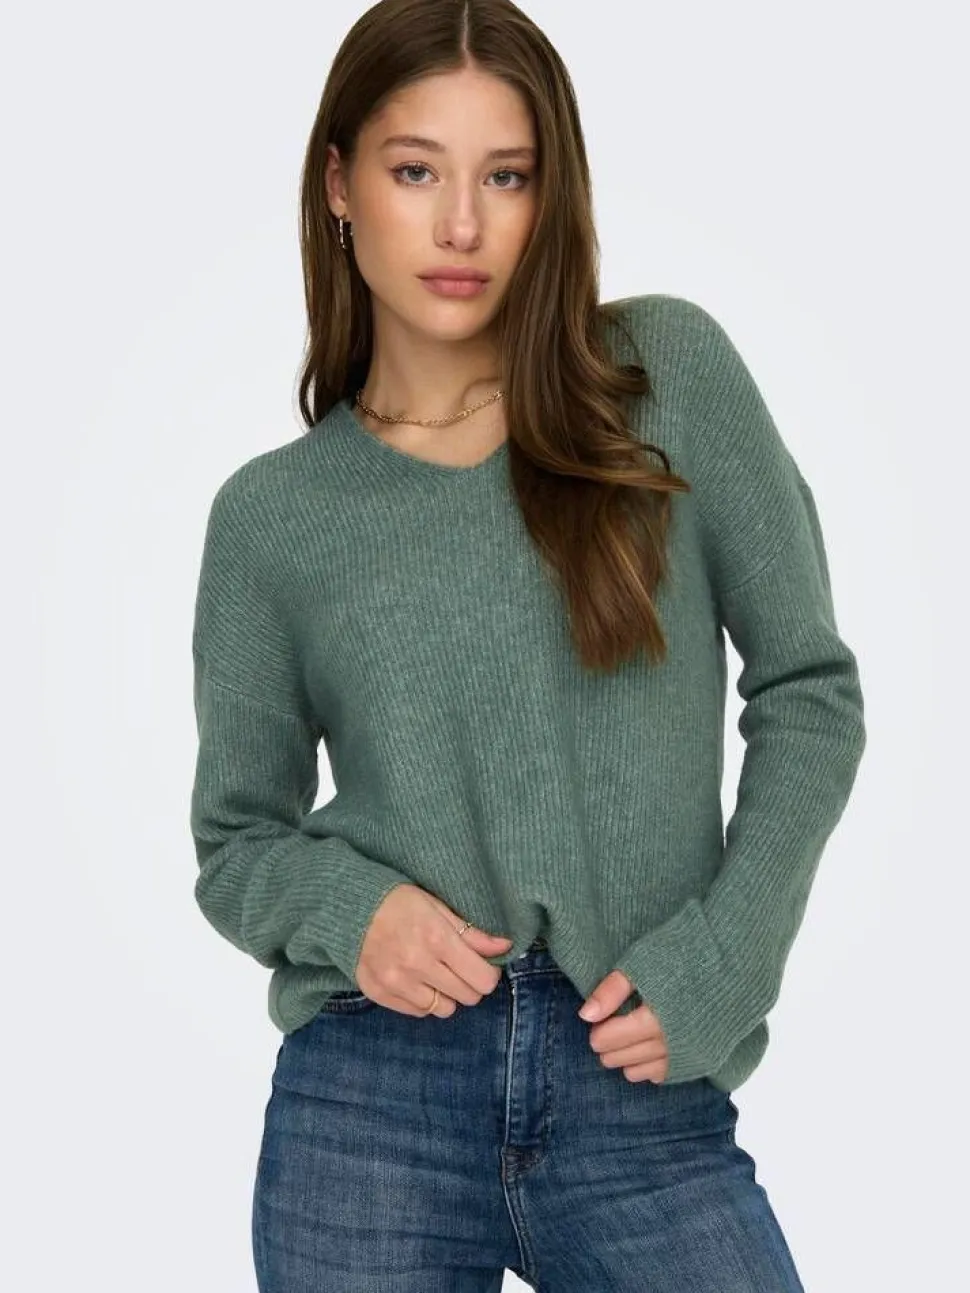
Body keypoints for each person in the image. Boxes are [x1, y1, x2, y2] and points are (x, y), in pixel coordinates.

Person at [188, 1, 866, 1288]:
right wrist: (353, 910)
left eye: (506, 176)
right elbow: (237, 842)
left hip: (638, 1080)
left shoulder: (661, 377)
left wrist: (724, 963)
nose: (462, 226)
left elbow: (808, 692)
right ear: (338, 184)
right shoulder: (274, 516)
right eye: (415, 171)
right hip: (373, 1092)